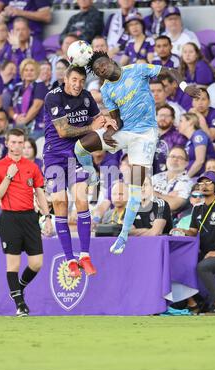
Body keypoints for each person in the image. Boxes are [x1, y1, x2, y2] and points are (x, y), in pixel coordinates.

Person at [74, 50, 200, 254]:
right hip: (125, 131)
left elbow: (169, 70)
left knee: (134, 188)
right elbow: (117, 119)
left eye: (103, 64)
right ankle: (92, 175)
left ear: (111, 60)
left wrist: (185, 87)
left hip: (145, 136)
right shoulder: (106, 90)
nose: (102, 69)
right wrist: (110, 130)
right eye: (98, 70)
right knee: (81, 146)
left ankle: (123, 236)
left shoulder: (136, 69)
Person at [43, 65, 108, 278]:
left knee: (81, 199)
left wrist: (108, 121)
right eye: (74, 80)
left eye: (81, 80)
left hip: (77, 156)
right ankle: (70, 259)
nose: (78, 84)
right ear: (65, 78)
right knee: (60, 203)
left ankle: (85, 256)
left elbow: (99, 121)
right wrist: (92, 127)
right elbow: (63, 131)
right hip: (54, 156)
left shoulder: (88, 97)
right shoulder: (53, 97)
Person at [0, 128, 52, 317]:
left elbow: (40, 192)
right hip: (9, 218)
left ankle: (18, 288)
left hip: (30, 217)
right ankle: (20, 303)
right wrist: (8, 176)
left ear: (24, 144)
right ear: (6, 143)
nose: (17, 146)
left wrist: (47, 217)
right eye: (13, 142)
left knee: (37, 263)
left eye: (20, 142)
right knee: (13, 264)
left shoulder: (32, 166)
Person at [172, 171, 215, 314]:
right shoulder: (197, 208)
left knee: (202, 267)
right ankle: (192, 303)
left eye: (208, 182)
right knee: (177, 264)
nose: (204, 186)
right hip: (204, 254)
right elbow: (193, 231)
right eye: (201, 183)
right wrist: (181, 230)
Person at [8, 58, 47, 140]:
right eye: (26, 70)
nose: (29, 72)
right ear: (22, 72)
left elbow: (36, 106)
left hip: (35, 128)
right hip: (18, 125)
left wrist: (24, 121)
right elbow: (10, 107)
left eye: (32, 70)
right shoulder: (17, 87)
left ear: (36, 72)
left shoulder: (40, 85)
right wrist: (16, 117)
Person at [153, 145, 192, 212]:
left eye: (180, 158)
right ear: (167, 159)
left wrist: (153, 193)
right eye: (172, 156)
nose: (175, 159)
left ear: (186, 163)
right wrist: (167, 197)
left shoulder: (187, 182)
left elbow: (172, 205)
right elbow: (140, 196)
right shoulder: (156, 177)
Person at [178, 112, 215, 178]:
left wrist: (186, 177)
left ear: (190, 122)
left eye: (181, 121)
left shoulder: (199, 135)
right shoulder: (189, 141)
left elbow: (200, 161)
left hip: (204, 177)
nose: (178, 124)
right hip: (194, 176)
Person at [153, 104, 186, 174]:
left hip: (169, 177)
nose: (163, 118)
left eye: (167, 116)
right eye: (161, 115)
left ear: (173, 119)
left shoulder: (178, 137)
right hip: (149, 176)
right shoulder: (149, 135)